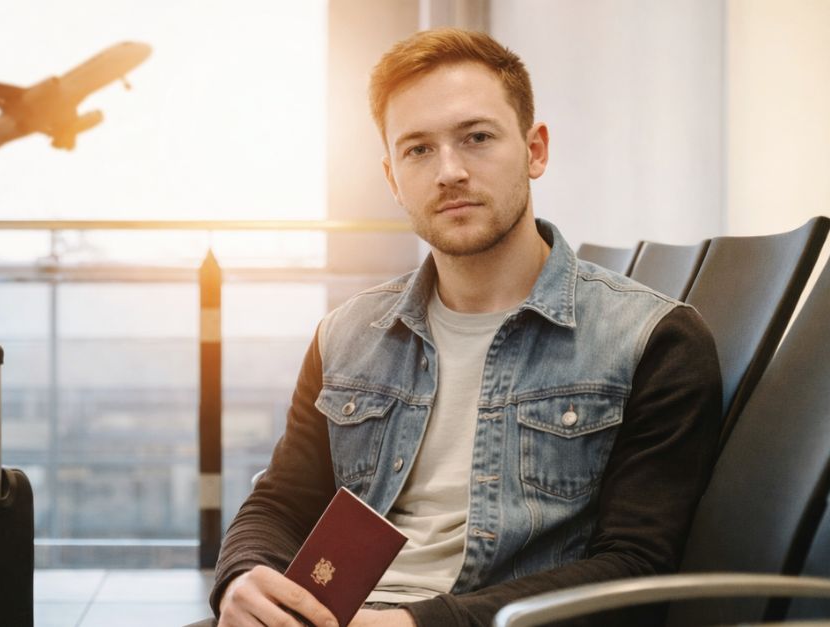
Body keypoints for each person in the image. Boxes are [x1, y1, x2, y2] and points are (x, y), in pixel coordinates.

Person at [204, 28, 722, 627]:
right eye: (418, 150)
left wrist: (414, 624)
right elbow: (282, 501)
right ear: (393, 178)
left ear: (535, 150)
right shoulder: (345, 336)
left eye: (476, 138)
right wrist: (242, 575)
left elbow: (636, 567)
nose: (449, 171)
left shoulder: (652, 340)